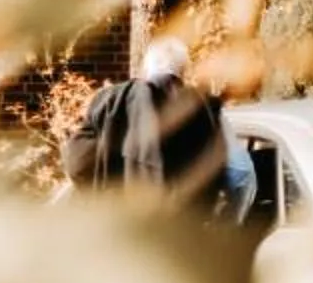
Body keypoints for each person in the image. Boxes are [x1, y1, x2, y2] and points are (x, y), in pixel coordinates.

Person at [63, 38, 258, 218]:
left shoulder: (109, 102)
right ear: (184, 72)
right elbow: (241, 175)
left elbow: (77, 162)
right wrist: (224, 228)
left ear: (145, 69)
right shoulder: (204, 108)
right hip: (177, 235)